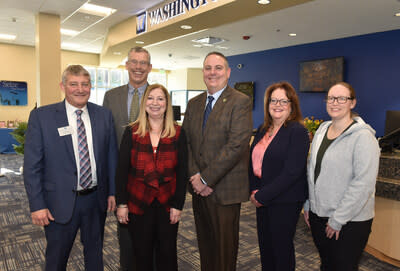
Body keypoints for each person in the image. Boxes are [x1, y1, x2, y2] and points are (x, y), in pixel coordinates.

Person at [23, 65, 118, 271]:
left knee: (95, 255)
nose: (80, 89)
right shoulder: (42, 117)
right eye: (73, 84)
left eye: (85, 84)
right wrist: (37, 204)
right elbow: (32, 166)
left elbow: (111, 157)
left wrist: (112, 191)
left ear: (91, 86)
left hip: (95, 199)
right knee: (57, 258)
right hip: (58, 202)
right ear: (63, 86)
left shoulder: (103, 115)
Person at [182, 51, 253, 271]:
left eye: (218, 68)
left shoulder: (240, 101)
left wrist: (206, 178)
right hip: (198, 189)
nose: (213, 73)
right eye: (208, 68)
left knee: (224, 249)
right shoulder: (194, 103)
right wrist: (196, 180)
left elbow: (236, 145)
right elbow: (187, 143)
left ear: (228, 72)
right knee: (205, 244)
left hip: (225, 190)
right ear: (203, 72)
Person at [303, 82, 380, 271]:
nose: (334, 102)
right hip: (319, 215)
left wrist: (338, 219)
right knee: (327, 265)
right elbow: (312, 171)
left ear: (352, 103)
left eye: (341, 98)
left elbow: (363, 184)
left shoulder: (363, 137)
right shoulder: (322, 130)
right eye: (330, 98)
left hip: (350, 221)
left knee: (343, 266)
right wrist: (308, 204)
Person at [115, 84, 187, 271]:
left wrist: (178, 205)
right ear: (144, 102)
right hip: (138, 204)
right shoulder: (131, 132)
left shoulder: (178, 133)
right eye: (150, 98)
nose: (155, 103)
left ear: (167, 104)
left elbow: (182, 171)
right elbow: (122, 171)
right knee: (141, 255)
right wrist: (122, 204)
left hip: (167, 205)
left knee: (167, 254)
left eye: (160, 99)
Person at [248, 81, 309, 271]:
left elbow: (292, 172)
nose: (277, 105)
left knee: (281, 250)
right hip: (262, 197)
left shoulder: (297, 131)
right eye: (273, 100)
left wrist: (261, 195)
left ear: (292, 105)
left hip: (285, 201)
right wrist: (254, 191)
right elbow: (253, 162)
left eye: (283, 101)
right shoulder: (262, 129)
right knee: (266, 248)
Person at [103, 46, 152, 271]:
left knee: (151, 237)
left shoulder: (159, 96)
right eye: (134, 62)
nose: (138, 67)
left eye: (143, 63)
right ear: (127, 65)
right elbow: (105, 137)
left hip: (151, 179)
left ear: (150, 68)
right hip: (121, 177)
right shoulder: (111, 96)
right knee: (125, 234)